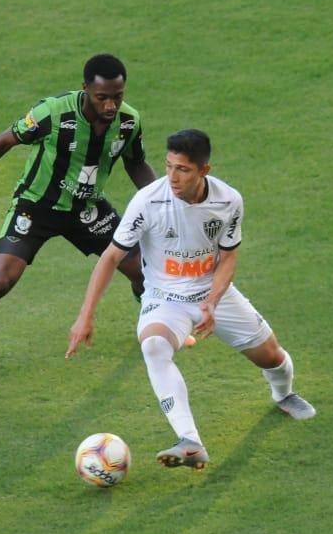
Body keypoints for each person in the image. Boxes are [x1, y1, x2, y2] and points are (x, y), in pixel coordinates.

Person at [66, 129, 315, 471]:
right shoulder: (149, 201)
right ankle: (191, 441)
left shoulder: (229, 201)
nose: (172, 177)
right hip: (163, 298)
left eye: (182, 169)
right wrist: (86, 316)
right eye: (168, 166)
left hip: (213, 295)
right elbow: (110, 257)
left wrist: (212, 302)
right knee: (153, 346)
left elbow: (228, 257)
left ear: (204, 170)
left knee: (271, 357)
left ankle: (283, 393)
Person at [0, 54, 161, 395]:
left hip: (86, 208)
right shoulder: (54, 112)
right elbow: (5, 140)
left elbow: (136, 163)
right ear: (86, 89)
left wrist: (163, 201)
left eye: (117, 96)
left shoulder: (128, 122)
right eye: (102, 97)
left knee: (143, 269)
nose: (110, 105)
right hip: (38, 205)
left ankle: (154, 329)